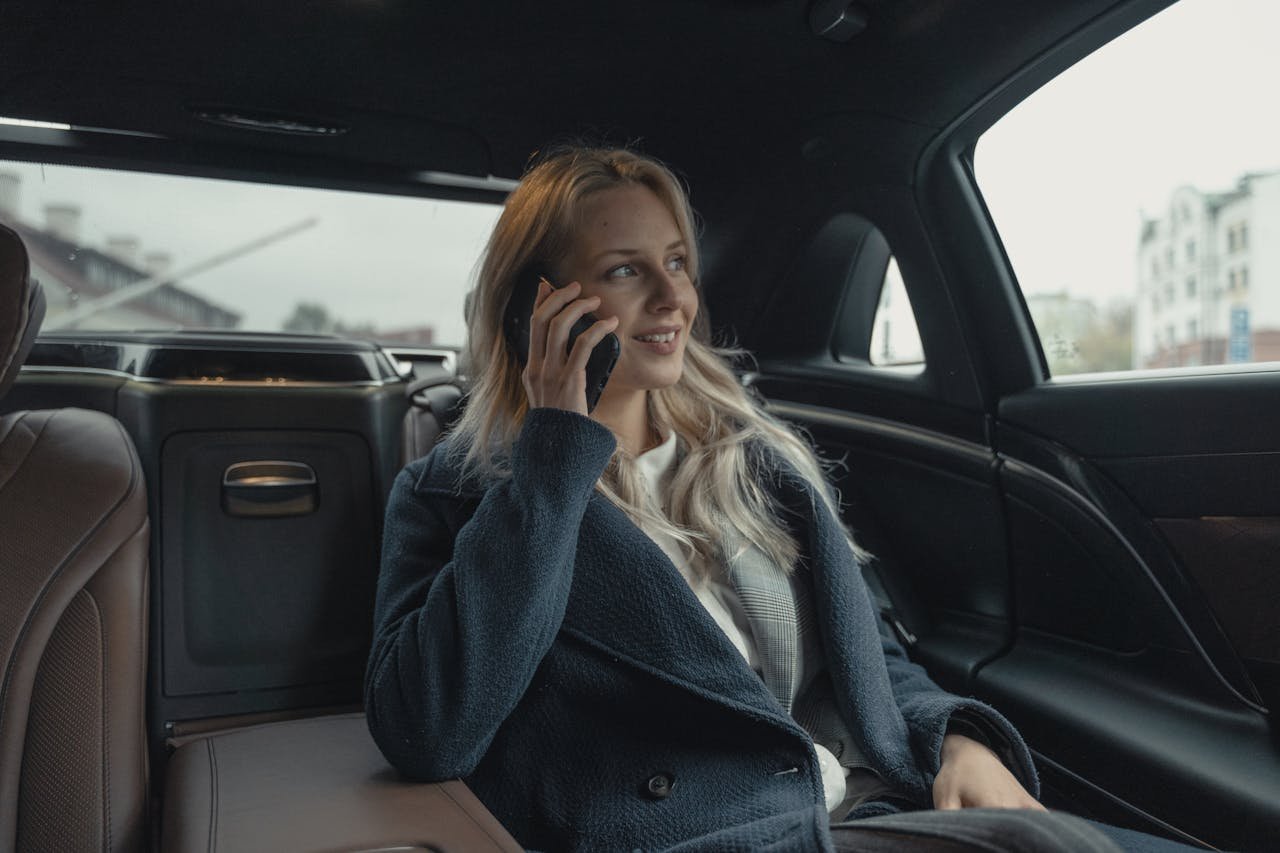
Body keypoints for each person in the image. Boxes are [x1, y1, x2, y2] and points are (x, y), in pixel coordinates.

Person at [364, 146, 1198, 852]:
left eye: (678, 261)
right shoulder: (457, 494)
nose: (672, 298)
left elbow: (871, 655)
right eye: (626, 270)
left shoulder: (752, 460)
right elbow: (429, 728)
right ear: (536, 307)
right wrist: (551, 460)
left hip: (871, 803)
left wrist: (958, 736)